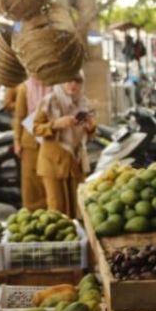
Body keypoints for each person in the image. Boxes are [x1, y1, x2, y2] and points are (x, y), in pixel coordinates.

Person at [33, 74, 96, 217]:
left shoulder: (84, 103)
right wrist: (56, 124)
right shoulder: (49, 101)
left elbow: (90, 134)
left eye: (77, 81)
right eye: (69, 80)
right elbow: (35, 128)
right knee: (57, 207)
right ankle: (61, 240)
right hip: (53, 162)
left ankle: (78, 238)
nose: (73, 84)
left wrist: (91, 126)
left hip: (76, 161)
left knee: (78, 207)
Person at [12, 77, 49, 211]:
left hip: (50, 141)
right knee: (31, 185)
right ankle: (31, 214)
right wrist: (16, 140)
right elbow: (19, 116)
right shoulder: (25, 88)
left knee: (49, 183)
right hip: (30, 143)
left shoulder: (56, 86)